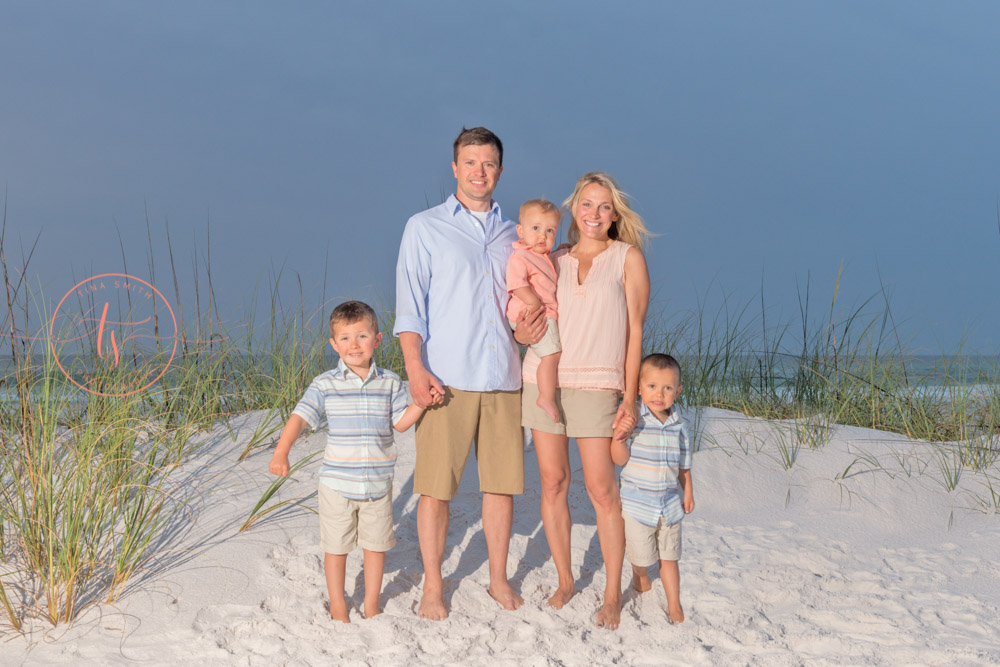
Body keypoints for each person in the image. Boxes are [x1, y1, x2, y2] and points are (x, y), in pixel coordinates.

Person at [394, 127, 546, 620]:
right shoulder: (424, 226)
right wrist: (415, 369)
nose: (480, 171)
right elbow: (410, 309)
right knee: (435, 488)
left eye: (489, 164)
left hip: (504, 378)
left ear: (500, 171)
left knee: (499, 487)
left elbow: (522, 307)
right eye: (470, 162)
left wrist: (528, 333)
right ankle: (434, 585)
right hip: (446, 380)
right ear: (455, 167)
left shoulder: (516, 235)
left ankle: (498, 579)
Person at [521, 172, 651, 630]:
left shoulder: (626, 258)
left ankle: (613, 593)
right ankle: (565, 580)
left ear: (615, 214)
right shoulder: (552, 257)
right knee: (553, 483)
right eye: (586, 204)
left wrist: (630, 399)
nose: (594, 214)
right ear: (574, 208)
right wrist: (521, 331)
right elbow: (525, 312)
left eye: (604, 207)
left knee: (601, 490)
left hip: (598, 386)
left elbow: (636, 333)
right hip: (542, 382)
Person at [268, 300, 426, 622]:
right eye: (345, 338)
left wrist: (421, 403)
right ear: (333, 343)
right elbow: (300, 417)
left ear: (377, 339)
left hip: (377, 484)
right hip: (337, 485)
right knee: (336, 548)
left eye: (362, 336)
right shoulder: (325, 383)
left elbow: (400, 423)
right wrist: (281, 451)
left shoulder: (391, 382)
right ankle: (338, 602)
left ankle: (371, 602)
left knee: (376, 546)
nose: (354, 345)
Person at [611, 353, 694, 624]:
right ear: (638, 388)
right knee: (642, 557)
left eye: (668, 388)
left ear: (678, 391)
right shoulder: (634, 420)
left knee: (669, 558)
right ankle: (640, 574)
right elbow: (618, 459)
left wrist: (688, 491)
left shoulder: (680, 426)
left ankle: (674, 604)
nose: (660, 394)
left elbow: (684, 464)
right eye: (652, 386)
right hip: (638, 505)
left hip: (670, 505)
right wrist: (619, 438)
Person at [506, 199, 562, 423]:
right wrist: (533, 303)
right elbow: (517, 284)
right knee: (551, 355)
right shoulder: (520, 256)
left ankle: (545, 393)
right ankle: (546, 397)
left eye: (550, 231)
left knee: (548, 354)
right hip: (530, 314)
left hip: (537, 312)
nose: (543, 236)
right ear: (521, 231)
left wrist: (563, 248)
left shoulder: (542, 257)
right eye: (536, 228)